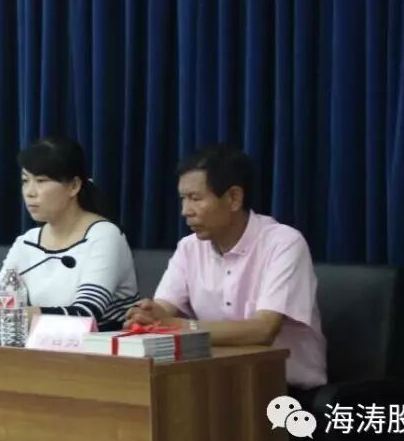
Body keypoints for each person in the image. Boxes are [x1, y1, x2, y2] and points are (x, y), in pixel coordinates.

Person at [125, 144, 326, 389]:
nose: (185, 211)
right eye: (182, 199)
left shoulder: (283, 243)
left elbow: (263, 330)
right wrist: (147, 315)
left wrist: (175, 326)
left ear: (233, 198)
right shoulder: (189, 247)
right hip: (217, 381)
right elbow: (163, 309)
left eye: (195, 198)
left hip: (283, 388)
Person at [0, 137, 139, 330]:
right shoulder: (28, 241)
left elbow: (84, 314)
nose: (30, 192)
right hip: (39, 344)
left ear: (74, 186)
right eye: (25, 181)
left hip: (98, 346)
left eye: (41, 181)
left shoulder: (104, 236)